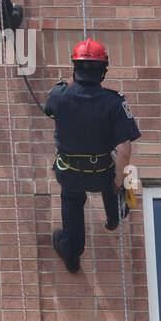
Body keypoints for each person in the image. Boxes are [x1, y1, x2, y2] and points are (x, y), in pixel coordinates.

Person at [44, 38, 142, 274]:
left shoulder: (59, 96)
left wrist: (70, 83)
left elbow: (50, 107)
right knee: (122, 176)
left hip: (69, 171)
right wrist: (119, 183)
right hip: (101, 172)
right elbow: (125, 149)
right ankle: (114, 214)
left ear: (75, 68)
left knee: (72, 200)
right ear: (103, 71)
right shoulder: (114, 102)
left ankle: (71, 250)